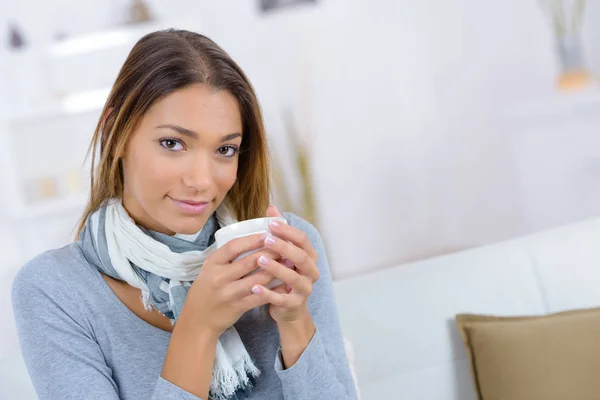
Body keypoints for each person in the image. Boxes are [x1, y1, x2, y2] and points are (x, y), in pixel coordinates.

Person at [11, 29, 357, 400]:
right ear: (115, 133)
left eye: (225, 149)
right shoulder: (55, 290)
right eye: (172, 143)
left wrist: (294, 321)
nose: (201, 181)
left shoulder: (286, 251)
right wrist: (198, 327)